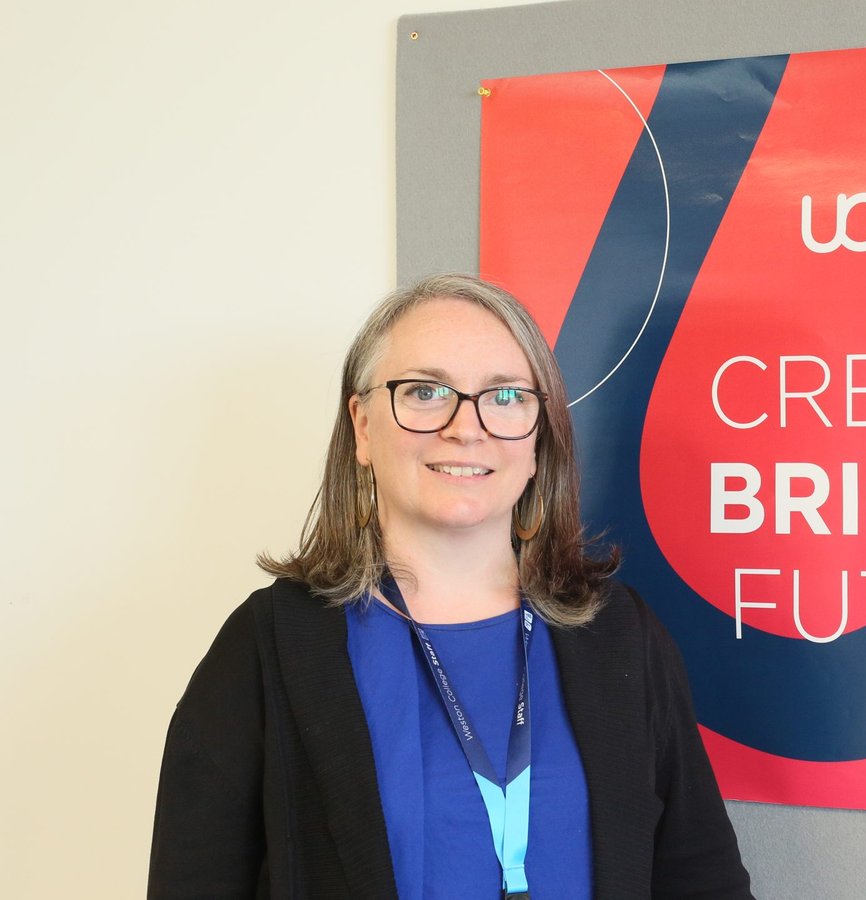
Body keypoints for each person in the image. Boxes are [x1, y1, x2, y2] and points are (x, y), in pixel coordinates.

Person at [149, 275, 753, 899]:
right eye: (426, 391)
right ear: (361, 426)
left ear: (539, 433)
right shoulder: (270, 646)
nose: (467, 427)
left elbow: (701, 878)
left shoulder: (619, 634)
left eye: (506, 396)